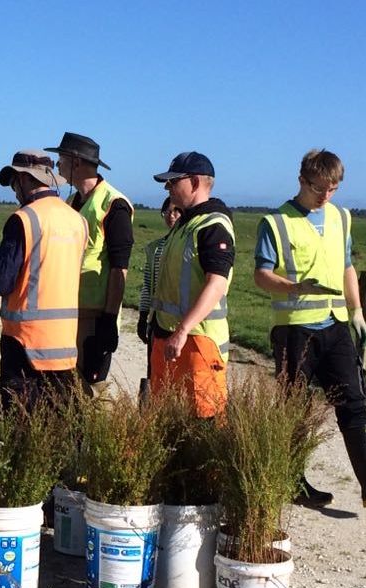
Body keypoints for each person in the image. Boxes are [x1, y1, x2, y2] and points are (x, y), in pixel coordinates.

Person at [253, 149, 366, 508]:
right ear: (301, 180)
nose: (325, 196)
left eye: (333, 189)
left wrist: (356, 312)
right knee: (296, 409)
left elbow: (347, 266)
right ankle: (293, 483)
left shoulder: (341, 218)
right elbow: (260, 274)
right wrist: (294, 287)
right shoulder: (275, 222)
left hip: (336, 326)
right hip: (294, 329)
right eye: (319, 188)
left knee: (354, 401)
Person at [0, 150, 85, 413]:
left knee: (20, 422)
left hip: (25, 340)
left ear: (25, 180)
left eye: (14, 182)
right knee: (56, 424)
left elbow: (2, 281)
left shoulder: (23, 218)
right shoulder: (77, 220)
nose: (14, 191)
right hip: (65, 342)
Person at [149, 152, 235, 417]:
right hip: (170, 338)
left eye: (174, 182)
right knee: (168, 423)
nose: (168, 188)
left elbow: (217, 282)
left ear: (195, 183)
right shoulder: (185, 224)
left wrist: (183, 328)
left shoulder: (213, 226)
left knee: (202, 423)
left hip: (198, 342)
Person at [45, 132, 134, 386]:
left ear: (75, 162)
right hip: (70, 308)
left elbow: (120, 268)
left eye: (60, 159)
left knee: (90, 389)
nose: (57, 165)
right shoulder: (72, 201)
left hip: (95, 315)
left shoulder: (114, 204)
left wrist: (109, 318)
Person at [137, 197, 182, 345]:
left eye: (176, 211)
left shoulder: (187, 246)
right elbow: (148, 284)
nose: (171, 216)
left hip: (182, 323)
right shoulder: (155, 248)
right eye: (167, 212)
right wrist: (143, 317)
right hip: (157, 323)